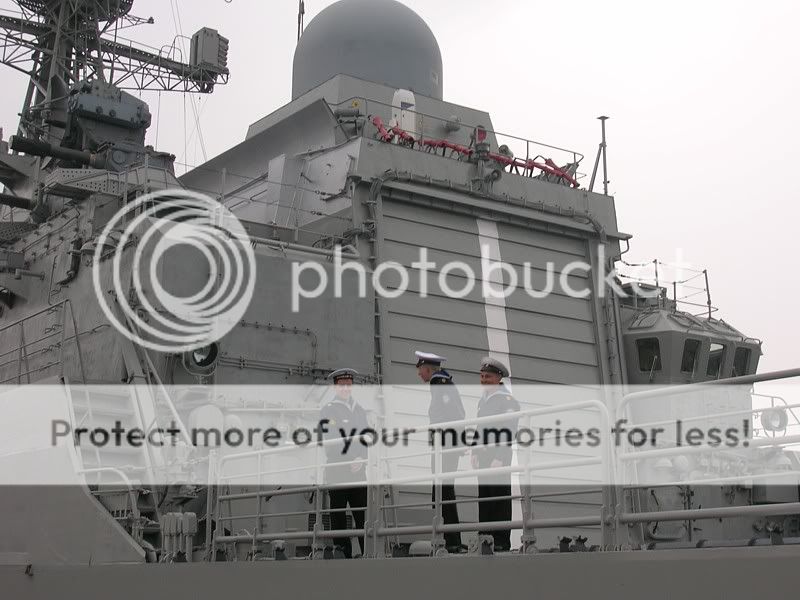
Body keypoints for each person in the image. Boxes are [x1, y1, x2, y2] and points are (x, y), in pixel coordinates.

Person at [415, 350, 465, 552]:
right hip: (447, 445)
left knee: (442, 492)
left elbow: (449, 415)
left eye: (420, 370)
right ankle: (450, 538)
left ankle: (449, 539)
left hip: (444, 446)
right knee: (444, 491)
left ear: (428, 369)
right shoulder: (444, 383)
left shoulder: (439, 384)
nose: (419, 374)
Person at [472, 356, 520, 552]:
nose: (484, 380)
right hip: (484, 455)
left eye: (488, 377)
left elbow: (508, 429)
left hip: (498, 455)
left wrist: (499, 457)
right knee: (485, 497)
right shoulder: (484, 400)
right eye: (482, 376)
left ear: (499, 378)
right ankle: (485, 536)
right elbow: (479, 427)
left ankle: (500, 539)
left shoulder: (507, 400)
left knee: (499, 496)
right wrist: (475, 451)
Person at [320, 368, 369, 558]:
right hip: (338, 469)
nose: (346, 388)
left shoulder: (359, 410)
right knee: (338, 514)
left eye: (349, 385)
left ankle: (367, 551)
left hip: (358, 471)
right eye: (342, 385)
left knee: (362, 513)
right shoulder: (328, 410)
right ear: (335, 387)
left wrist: (361, 458)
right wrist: (352, 458)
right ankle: (342, 552)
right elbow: (332, 440)